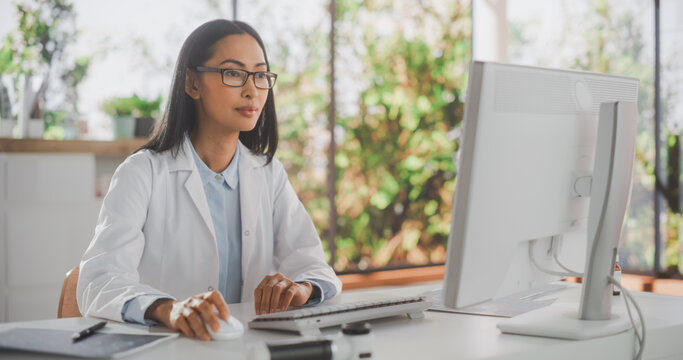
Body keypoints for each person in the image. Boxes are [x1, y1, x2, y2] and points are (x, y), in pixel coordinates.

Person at [76, 19, 341, 341]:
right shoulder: (142, 173)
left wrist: (300, 289)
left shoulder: (269, 174)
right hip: (170, 348)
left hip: (246, 347)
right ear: (192, 83)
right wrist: (167, 309)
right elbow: (99, 281)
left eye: (260, 75)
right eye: (233, 73)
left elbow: (315, 267)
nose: (251, 89)